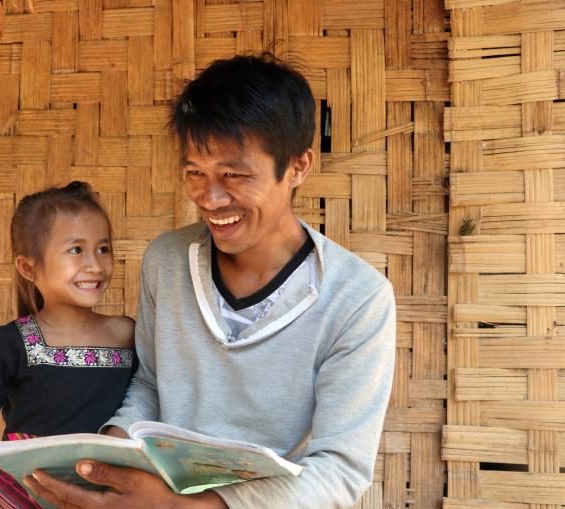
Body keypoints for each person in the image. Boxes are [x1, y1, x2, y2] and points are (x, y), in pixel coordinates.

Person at [24, 53, 396, 509]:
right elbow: (151, 384)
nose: (211, 198)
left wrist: (185, 507)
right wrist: (106, 461)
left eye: (234, 175)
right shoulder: (167, 259)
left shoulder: (358, 298)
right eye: (195, 173)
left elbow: (340, 470)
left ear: (297, 166)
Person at [0, 182, 136, 509]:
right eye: (76, 250)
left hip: (102, 496)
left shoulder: (129, 335)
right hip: (16, 497)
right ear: (28, 267)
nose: (95, 264)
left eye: (103, 249)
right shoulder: (8, 344)